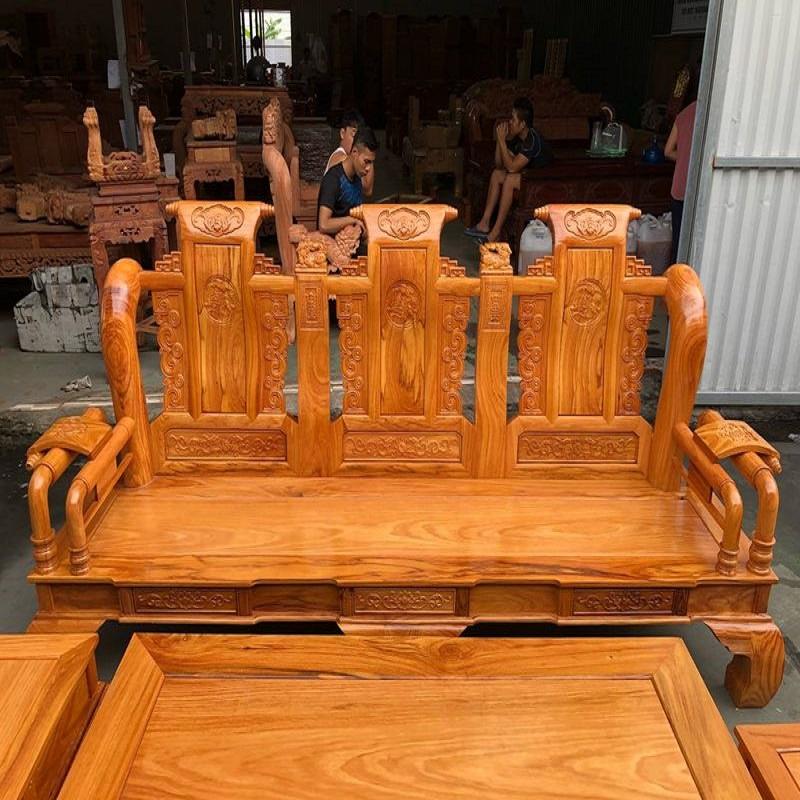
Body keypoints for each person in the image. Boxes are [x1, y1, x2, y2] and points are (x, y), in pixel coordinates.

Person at [465, 97, 549, 243]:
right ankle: (484, 223)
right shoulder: (517, 138)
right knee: (497, 175)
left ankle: (495, 232)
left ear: (522, 124)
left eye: (513, 119)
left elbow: (511, 167)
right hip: (525, 177)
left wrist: (503, 142)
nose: (510, 122)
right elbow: (499, 165)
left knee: (510, 179)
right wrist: (500, 141)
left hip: (539, 182)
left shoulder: (532, 139)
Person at [317, 125, 378, 236]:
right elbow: (323, 224)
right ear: (354, 152)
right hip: (334, 244)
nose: (368, 168)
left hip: (353, 241)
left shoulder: (357, 177)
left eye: (371, 162)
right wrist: (352, 220)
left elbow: (369, 191)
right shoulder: (333, 179)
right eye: (366, 161)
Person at [665, 87, 698, 263]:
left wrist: (684, 156)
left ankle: (673, 275)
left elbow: (668, 151)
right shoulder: (710, 116)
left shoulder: (683, 115)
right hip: (696, 190)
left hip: (678, 188)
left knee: (678, 242)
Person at [324, 110, 374, 197]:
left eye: (359, 139)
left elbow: (368, 191)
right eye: (354, 136)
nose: (356, 142)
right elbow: (366, 186)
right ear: (342, 133)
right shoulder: (340, 157)